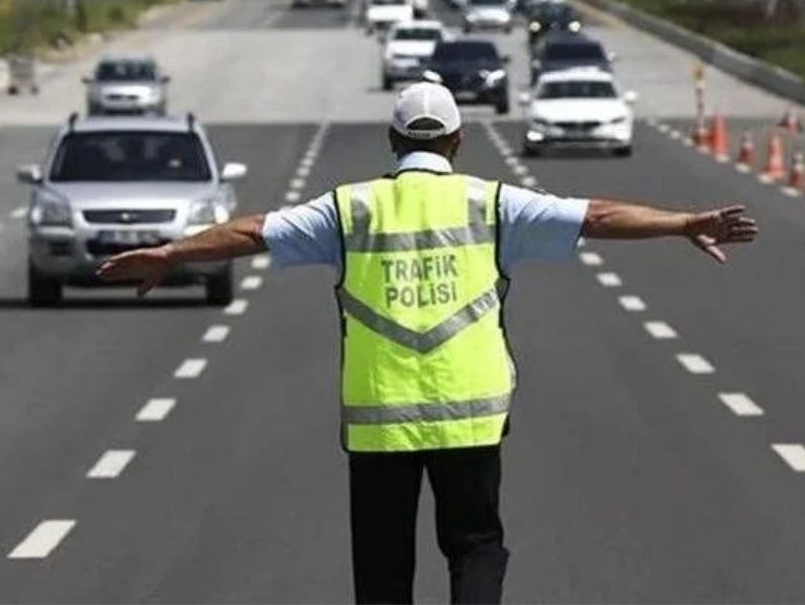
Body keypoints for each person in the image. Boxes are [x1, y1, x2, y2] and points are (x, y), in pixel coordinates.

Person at [97, 82, 758, 604]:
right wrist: (683, 222)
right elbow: (599, 216)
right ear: (458, 140)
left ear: (391, 140)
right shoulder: (493, 203)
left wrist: (171, 253)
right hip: (470, 413)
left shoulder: (349, 209)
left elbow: (250, 232)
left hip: (380, 420)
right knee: (475, 547)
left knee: (383, 570)